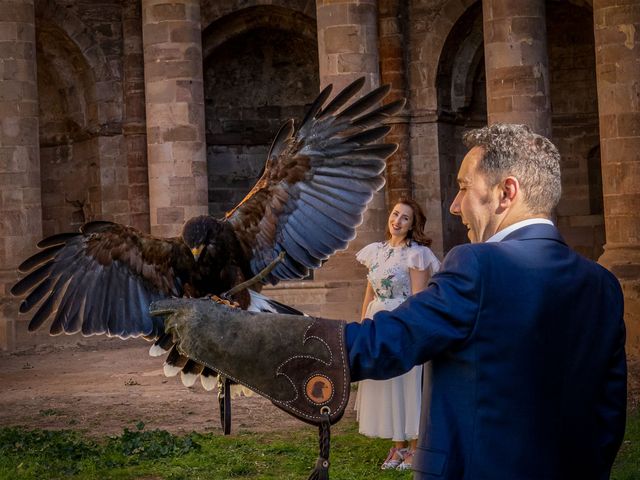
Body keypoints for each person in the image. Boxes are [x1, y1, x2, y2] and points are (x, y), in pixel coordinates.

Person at [152, 123, 627, 480]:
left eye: (462, 187)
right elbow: (609, 418)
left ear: (507, 192)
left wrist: (238, 337)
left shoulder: (478, 267)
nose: (455, 206)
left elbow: (380, 344)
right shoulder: (603, 285)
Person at [355, 198, 440, 470]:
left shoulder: (416, 254)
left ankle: (415, 448)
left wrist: (410, 330)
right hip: (376, 318)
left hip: (402, 321)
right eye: (395, 214)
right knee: (387, 382)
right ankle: (397, 446)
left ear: (413, 225)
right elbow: (369, 292)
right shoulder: (375, 251)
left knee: (407, 382)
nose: (397, 221)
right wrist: (362, 325)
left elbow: (418, 297)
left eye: (405, 218)